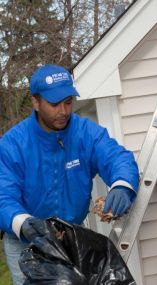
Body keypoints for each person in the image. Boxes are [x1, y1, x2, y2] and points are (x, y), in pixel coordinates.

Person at [0, 64, 139, 284]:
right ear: (36, 102)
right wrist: (22, 223)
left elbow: (117, 158)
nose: (63, 111)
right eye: (54, 104)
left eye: (68, 102)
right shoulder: (12, 144)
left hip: (72, 237)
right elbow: (3, 196)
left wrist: (122, 184)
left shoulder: (86, 133)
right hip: (27, 243)